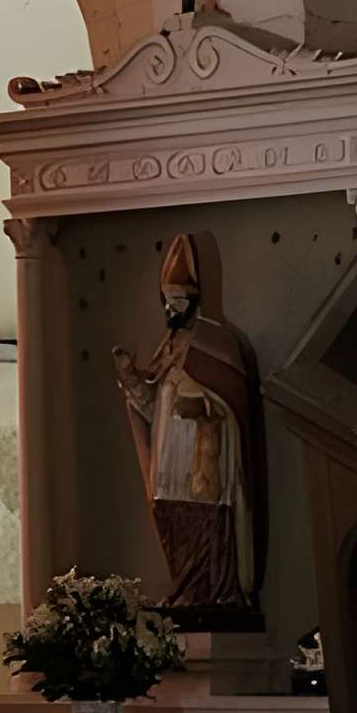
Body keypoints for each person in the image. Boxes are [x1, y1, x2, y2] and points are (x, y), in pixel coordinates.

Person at [111, 233, 263, 611]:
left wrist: (204, 410)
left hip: (204, 468)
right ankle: (186, 593)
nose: (171, 308)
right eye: (166, 300)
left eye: (178, 300)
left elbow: (234, 407)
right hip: (169, 470)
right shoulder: (166, 348)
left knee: (208, 530)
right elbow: (153, 410)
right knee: (175, 529)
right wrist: (132, 380)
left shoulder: (216, 344)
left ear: (194, 300)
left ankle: (214, 595)